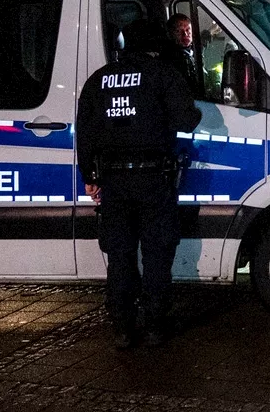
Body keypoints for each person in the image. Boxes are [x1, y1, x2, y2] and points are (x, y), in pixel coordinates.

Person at [76, 19, 202, 349]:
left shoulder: (98, 81)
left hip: (114, 182)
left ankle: (122, 328)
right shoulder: (162, 74)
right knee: (157, 254)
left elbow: (85, 134)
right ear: (155, 44)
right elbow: (187, 120)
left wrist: (89, 177)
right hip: (153, 180)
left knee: (120, 256)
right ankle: (156, 325)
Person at [165, 13, 203, 96]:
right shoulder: (168, 58)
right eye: (179, 31)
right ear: (171, 34)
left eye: (188, 30)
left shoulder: (197, 50)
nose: (185, 34)